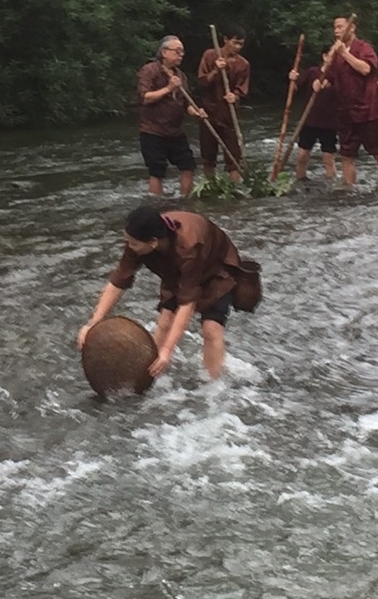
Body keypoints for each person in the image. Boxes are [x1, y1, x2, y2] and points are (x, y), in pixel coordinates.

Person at [77, 206, 260, 380]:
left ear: (153, 242)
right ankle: (151, 375)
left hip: (215, 269)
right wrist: (94, 322)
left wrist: (167, 351)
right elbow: (119, 280)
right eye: (127, 241)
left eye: (133, 243)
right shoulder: (137, 242)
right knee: (164, 322)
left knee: (211, 329)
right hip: (175, 270)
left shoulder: (189, 246)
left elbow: (187, 303)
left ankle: (213, 384)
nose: (128, 246)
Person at [134, 36, 207, 196]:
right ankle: (157, 204)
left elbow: (186, 104)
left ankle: (185, 202)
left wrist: (196, 112)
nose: (181, 55)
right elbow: (145, 98)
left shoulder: (181, 76)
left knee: (188, 166)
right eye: (177, 51)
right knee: (157, 171)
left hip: (174, 131)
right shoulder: (150, 70)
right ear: (165, 52)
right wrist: (169, 88)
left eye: (182, 52)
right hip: (152, 130)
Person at [325, 16, 378, 185]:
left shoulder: (364, 48)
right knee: (346, 156)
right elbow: (330, 79)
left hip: (366, 111)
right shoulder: (336, 53)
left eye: (340, 27)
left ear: (352, 28)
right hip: (345, 112)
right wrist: (319, 81)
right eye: (335, 28)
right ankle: (349, 191)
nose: (336, 31)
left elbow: (365, 69)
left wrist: (344, 53)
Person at [196, 26, 250, 181]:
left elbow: (242, 88)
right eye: (235, 43)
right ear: (226, 40)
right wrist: (216, 70)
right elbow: (201, 83)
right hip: (209, 111)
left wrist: (235, 96)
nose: (238, 47)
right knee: (208, 157)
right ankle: (210, 186)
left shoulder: (243, 64)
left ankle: (235, 190)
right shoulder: (210, 55)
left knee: (234, 158)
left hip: (229, 114)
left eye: (241, 44)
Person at [288, 47, 339, 180]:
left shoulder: (338, 76)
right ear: (324, 56)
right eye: (331, 56)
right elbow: (295, 90)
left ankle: (331, 183)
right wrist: (292, 80)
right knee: (302, 156)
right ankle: (300, 179)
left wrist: (330, 86)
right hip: (309, 120)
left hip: (329, 123)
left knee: (328, 159)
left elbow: (345, 93)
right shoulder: (312, 72)